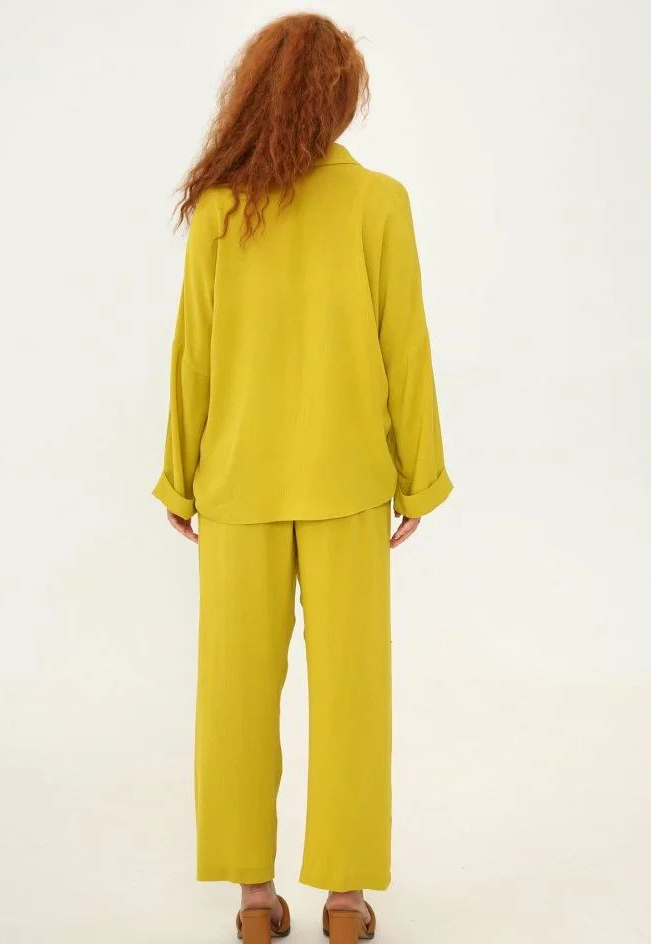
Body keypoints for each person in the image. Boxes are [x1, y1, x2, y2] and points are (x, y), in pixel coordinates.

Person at [152, 12, 453, 943]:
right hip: (348, 484)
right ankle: (346, 901)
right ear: (341, 99)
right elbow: (405, 348)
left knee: (235, 693)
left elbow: (193, 354)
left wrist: (179, 476)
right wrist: (420, 478)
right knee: (353, 690)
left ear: (258, 95)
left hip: (237, 484)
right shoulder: (380, 203)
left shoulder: (220, 210)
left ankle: (254, 899)